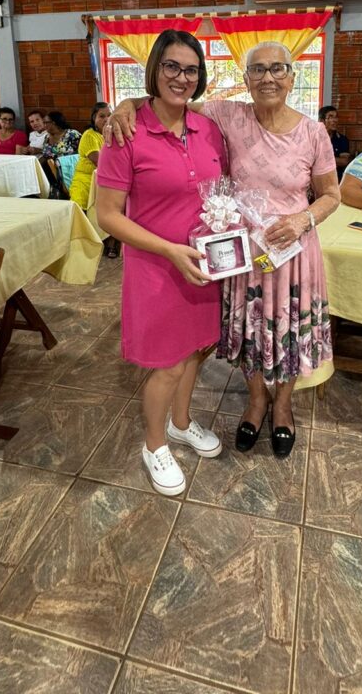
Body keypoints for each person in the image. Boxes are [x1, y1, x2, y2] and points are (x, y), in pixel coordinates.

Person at [109, 41, 340, 461]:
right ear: (246, 80)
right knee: (252, 333)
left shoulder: (313, 132)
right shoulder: (227, 115)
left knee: (288, 332)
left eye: (277, 69)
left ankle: (283, 406)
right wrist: (125, 103)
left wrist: (303, 219)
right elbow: (170, 97)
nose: (267, 77)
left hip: (294, 255)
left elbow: (331, 195)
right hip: (242, 255)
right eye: (257, 70)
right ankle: (255, 402)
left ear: (292, 76)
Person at [97, 31, 226, 497]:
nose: (181, 78)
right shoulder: (126, 132)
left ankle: (180, 422)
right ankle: (154, 445)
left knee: (196, 350)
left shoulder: (208, 127)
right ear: (154, 69)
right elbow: (107, 214)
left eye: (190, 69)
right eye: (171, 66)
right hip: (156, 267)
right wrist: (169, 249)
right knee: (167, 364)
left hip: (202, 263)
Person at [70, 102, 119, 258]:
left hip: (106, 180)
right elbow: (100, 162)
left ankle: (112, 243)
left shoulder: (115, 133)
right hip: (86, 181)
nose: (106, 119)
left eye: (109, 115)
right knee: (87, 208)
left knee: (116, 204)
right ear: (94, 118)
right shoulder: (89, 136)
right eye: (101, 116)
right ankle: (88, 245)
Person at [318, 105, 351, 178]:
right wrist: (335, 160)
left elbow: (344, 162)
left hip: (335, 179)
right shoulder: (314, 138)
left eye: (336, 117)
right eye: (330, 117)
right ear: (321, 120)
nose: (335, 120)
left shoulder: (342, 139)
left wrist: (320, 158)